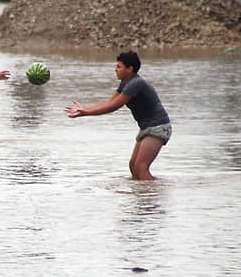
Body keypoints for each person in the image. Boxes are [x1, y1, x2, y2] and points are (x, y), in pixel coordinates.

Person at [64, 51, 171, 180]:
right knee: (133, 165)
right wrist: (84, 108)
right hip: (146, 127)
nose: (115, 70)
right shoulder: (126, 83)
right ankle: (142, 195)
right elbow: (109, 102)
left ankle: (152, 195)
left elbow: (113, 107)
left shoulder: (136, 84)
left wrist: (86, 113)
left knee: (141, 166)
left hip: (158, 126)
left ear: (130, 69)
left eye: (119, 67)